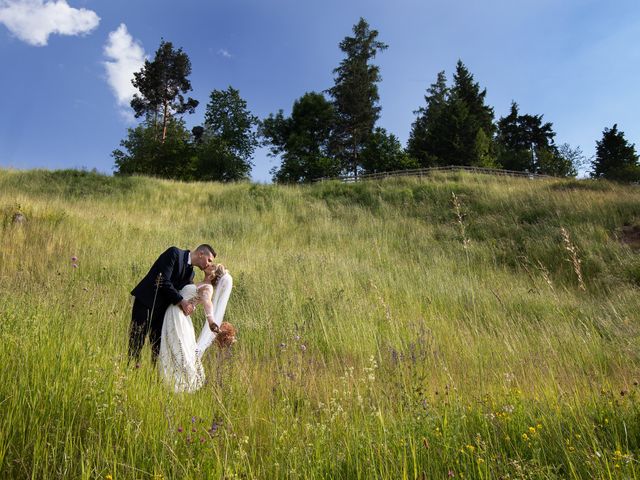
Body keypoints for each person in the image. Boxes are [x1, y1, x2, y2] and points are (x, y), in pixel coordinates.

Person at [128, 244, 216, 365]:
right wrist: (182, 301)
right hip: (146, 302)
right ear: (201, 254)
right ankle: (131, 372)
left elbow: (185, 292)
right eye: (209, 260)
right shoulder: (174, 253)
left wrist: (191, 304)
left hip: (163, 312)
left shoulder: (191, 274)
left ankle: (153, 377)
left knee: (158, 348)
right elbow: (163, 280)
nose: (209, 264)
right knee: (136, 342)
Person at [158, 264, 235, 392]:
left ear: (212, 273)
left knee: (179, 350)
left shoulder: (207, 288)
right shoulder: (200, 283)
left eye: (212, 265)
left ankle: (185, 385)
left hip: (178, 316)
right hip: (175, 314)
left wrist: (211, 320)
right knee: (173, 348)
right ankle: (172, 384)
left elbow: (207, 302)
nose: (209, 264)